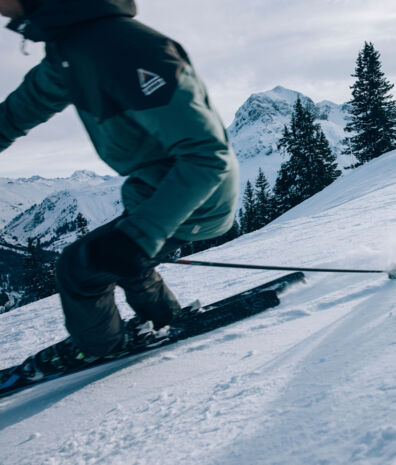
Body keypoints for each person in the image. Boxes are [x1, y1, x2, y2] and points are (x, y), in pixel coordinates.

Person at [0, 0, 238, 372]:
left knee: (79, 269)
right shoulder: (72, 50)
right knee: (120, 257)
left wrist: (140, 237)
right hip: (155, 191)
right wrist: (135, 241)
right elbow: (18, 111)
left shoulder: (127, 49)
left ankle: (101, 347)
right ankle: (163, 320)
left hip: (194, 196)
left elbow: (206, 157)